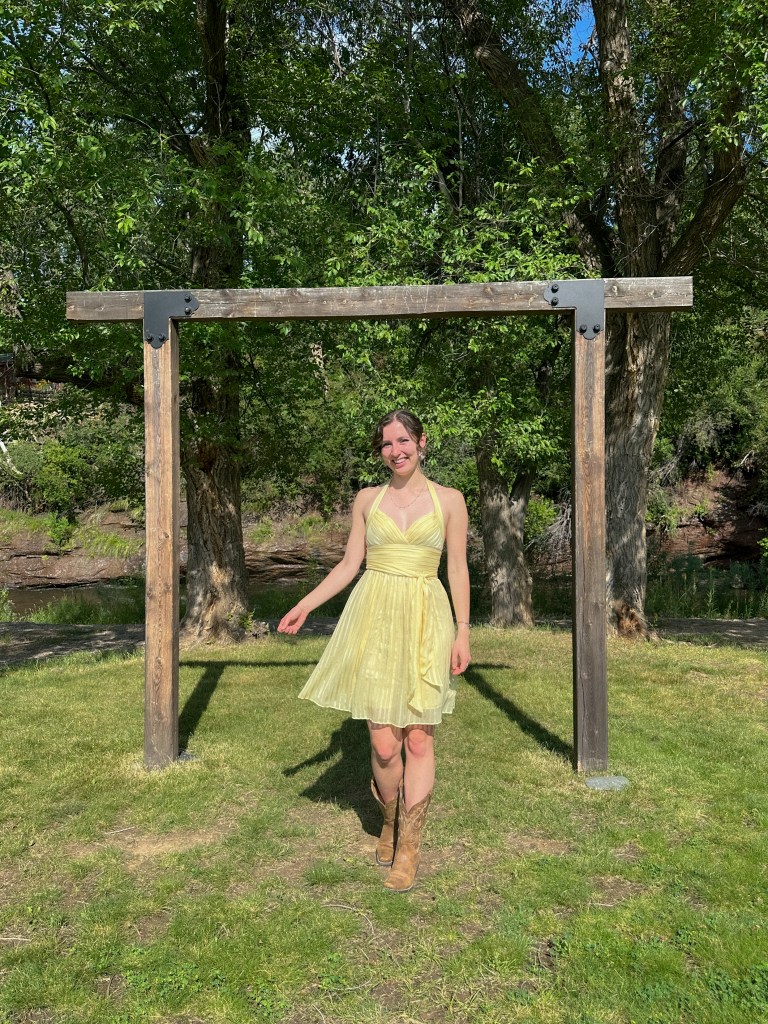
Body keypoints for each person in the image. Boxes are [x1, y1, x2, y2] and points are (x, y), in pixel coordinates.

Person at [278, 410, 471, 892]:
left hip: (428, 616)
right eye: (386, 444)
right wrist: (304, 605)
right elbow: (349, 565)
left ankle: (409, 848)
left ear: (422, 441)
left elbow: (458, 571)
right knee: (385, 745)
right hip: (376, 618)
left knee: (419, 738)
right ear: (380, 451)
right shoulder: (367, 500)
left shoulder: (450, 501)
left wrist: (463, 631)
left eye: (404, 440)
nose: (396, 450)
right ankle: (389, 819)